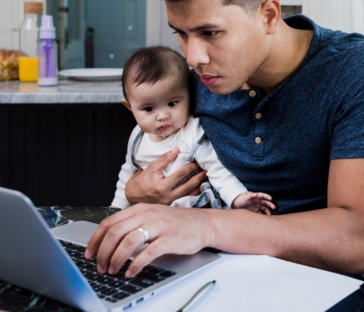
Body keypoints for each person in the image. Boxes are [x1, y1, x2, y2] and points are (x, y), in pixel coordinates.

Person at [85, 0, 364, 312]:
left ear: (269, 15)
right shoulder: (193, 82)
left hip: (323, 283)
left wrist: (204, 226)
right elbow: (151, 165)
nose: (194, 57)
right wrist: (140, 196)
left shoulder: (361, 70)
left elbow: (358, 242)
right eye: (181, 34)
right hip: (208, 269)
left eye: (210, 32)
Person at [112, 45, 275, 214]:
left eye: (172, 103)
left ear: (189, 96)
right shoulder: (138, 136)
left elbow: (216, 169)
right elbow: (127, 174)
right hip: (147, 213)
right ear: (129, 106)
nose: (162, 116)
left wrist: (237, 197)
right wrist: (115, 208)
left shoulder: (192, 132)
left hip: (192, 214)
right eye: (148, 109)